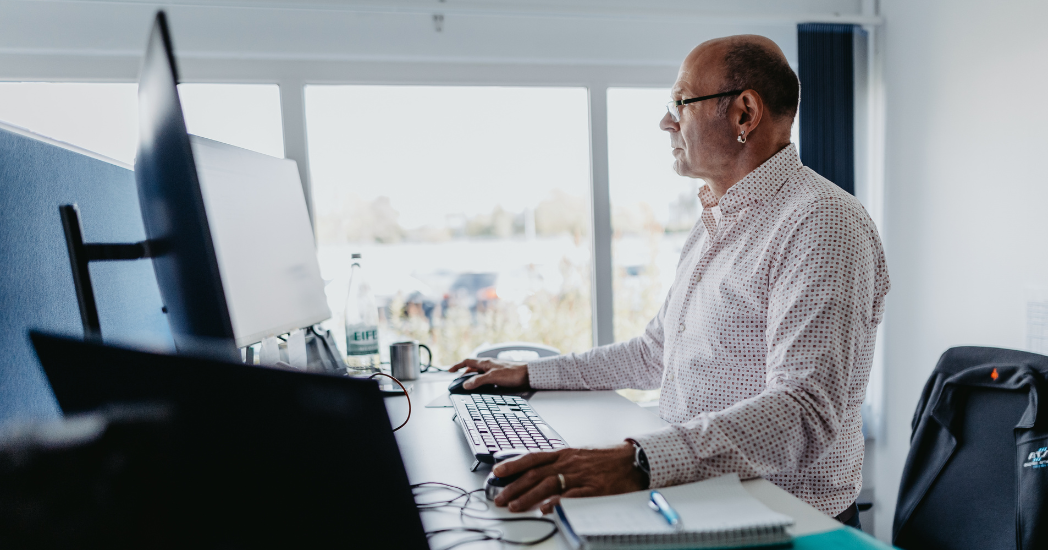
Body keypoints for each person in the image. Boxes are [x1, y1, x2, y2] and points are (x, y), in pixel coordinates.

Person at [450, 34, 889, 529]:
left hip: (787, 527)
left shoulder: (822, 222)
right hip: (704, 507)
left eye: (680, 102)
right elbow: (655, 353)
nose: (665, 121)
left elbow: (804, 411)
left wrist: (636, 461)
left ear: (745, 113)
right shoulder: (714, 223)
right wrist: (528, 374)